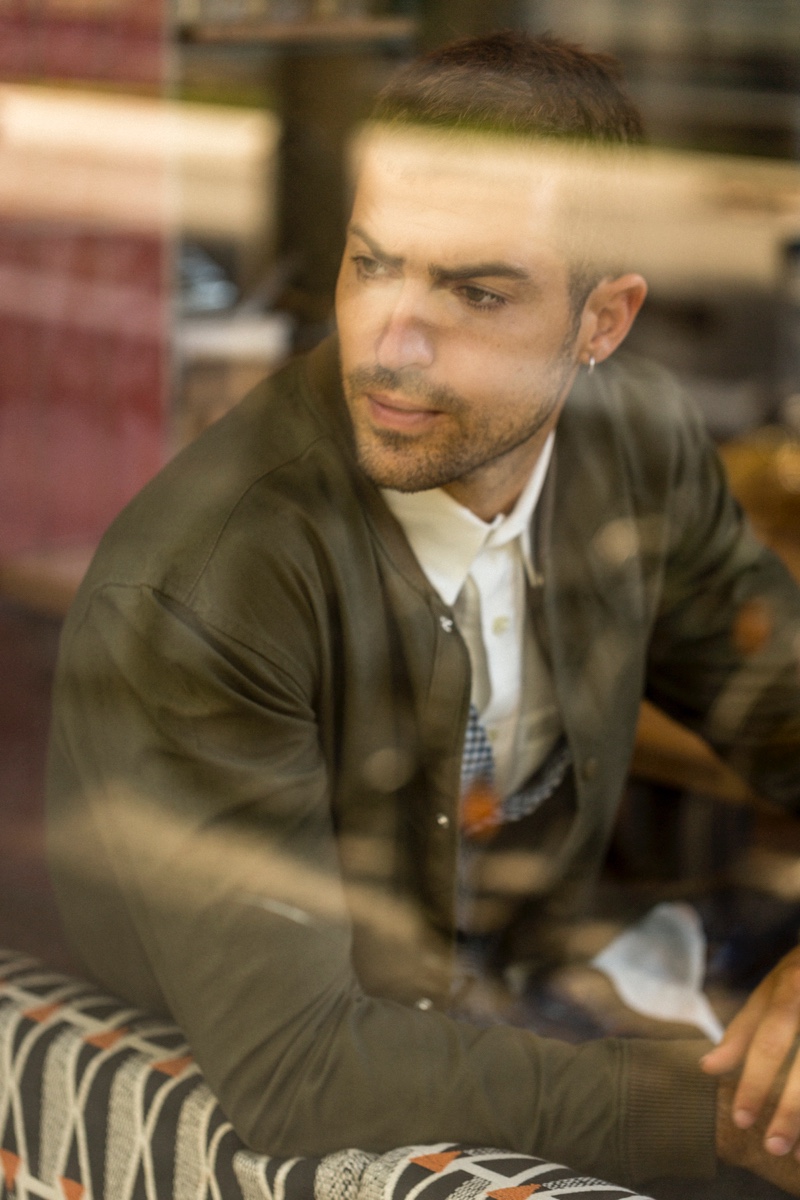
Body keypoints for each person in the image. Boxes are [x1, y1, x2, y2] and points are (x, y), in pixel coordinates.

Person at [46, 31, 800, 1195]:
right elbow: (303, 1068)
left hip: (543, 991)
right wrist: (727, 1119)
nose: (388, 346)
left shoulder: (635, 449)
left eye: (473, 291)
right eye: (370, 264)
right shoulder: (210, 585)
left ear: (602, 323)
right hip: (336, 1096)